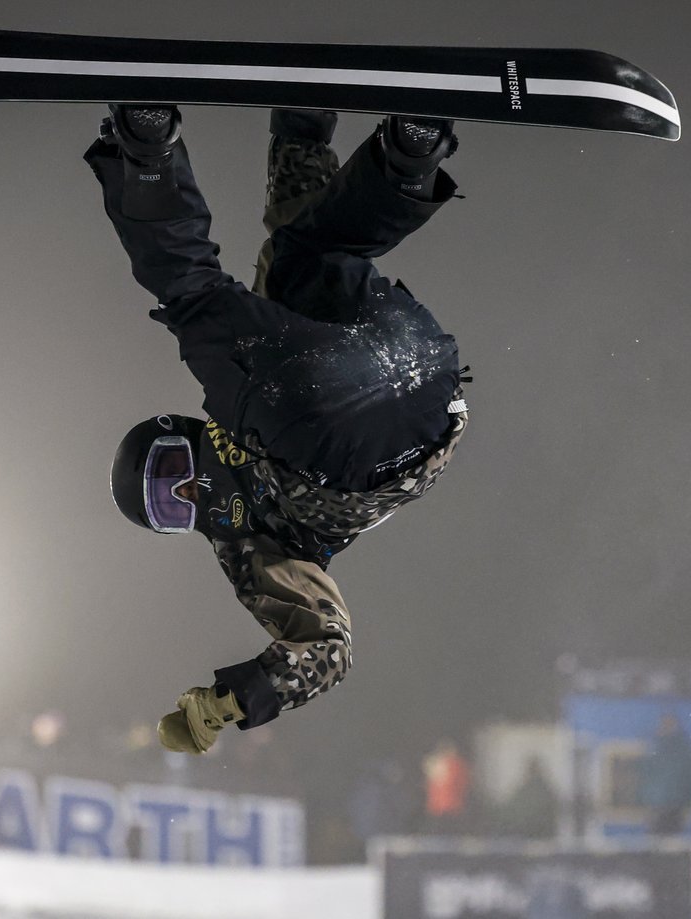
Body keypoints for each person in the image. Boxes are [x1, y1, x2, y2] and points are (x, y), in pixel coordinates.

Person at [85, 104, 467, 754]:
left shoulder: (261, 387)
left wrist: (300, 130)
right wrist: (231, 701)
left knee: (300, 255)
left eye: (171, 474)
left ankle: (406, 156)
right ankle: (148, 157)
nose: (190, 493)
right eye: (173, 510)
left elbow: (290, 251)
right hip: (369, 431)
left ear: (185, 433)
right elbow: (326, 647)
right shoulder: (248, 550)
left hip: (406, 371)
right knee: (197, 295)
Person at [642, 713, 691, 836]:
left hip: (676, 805)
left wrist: (690, 801)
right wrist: (647, 799)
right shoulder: (655, 749)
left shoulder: (684, 751)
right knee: (656, 838)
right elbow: (647, 777)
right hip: (657, 805)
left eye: (670, 725)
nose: (666, 728)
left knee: (672, 837)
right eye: (664, 724)